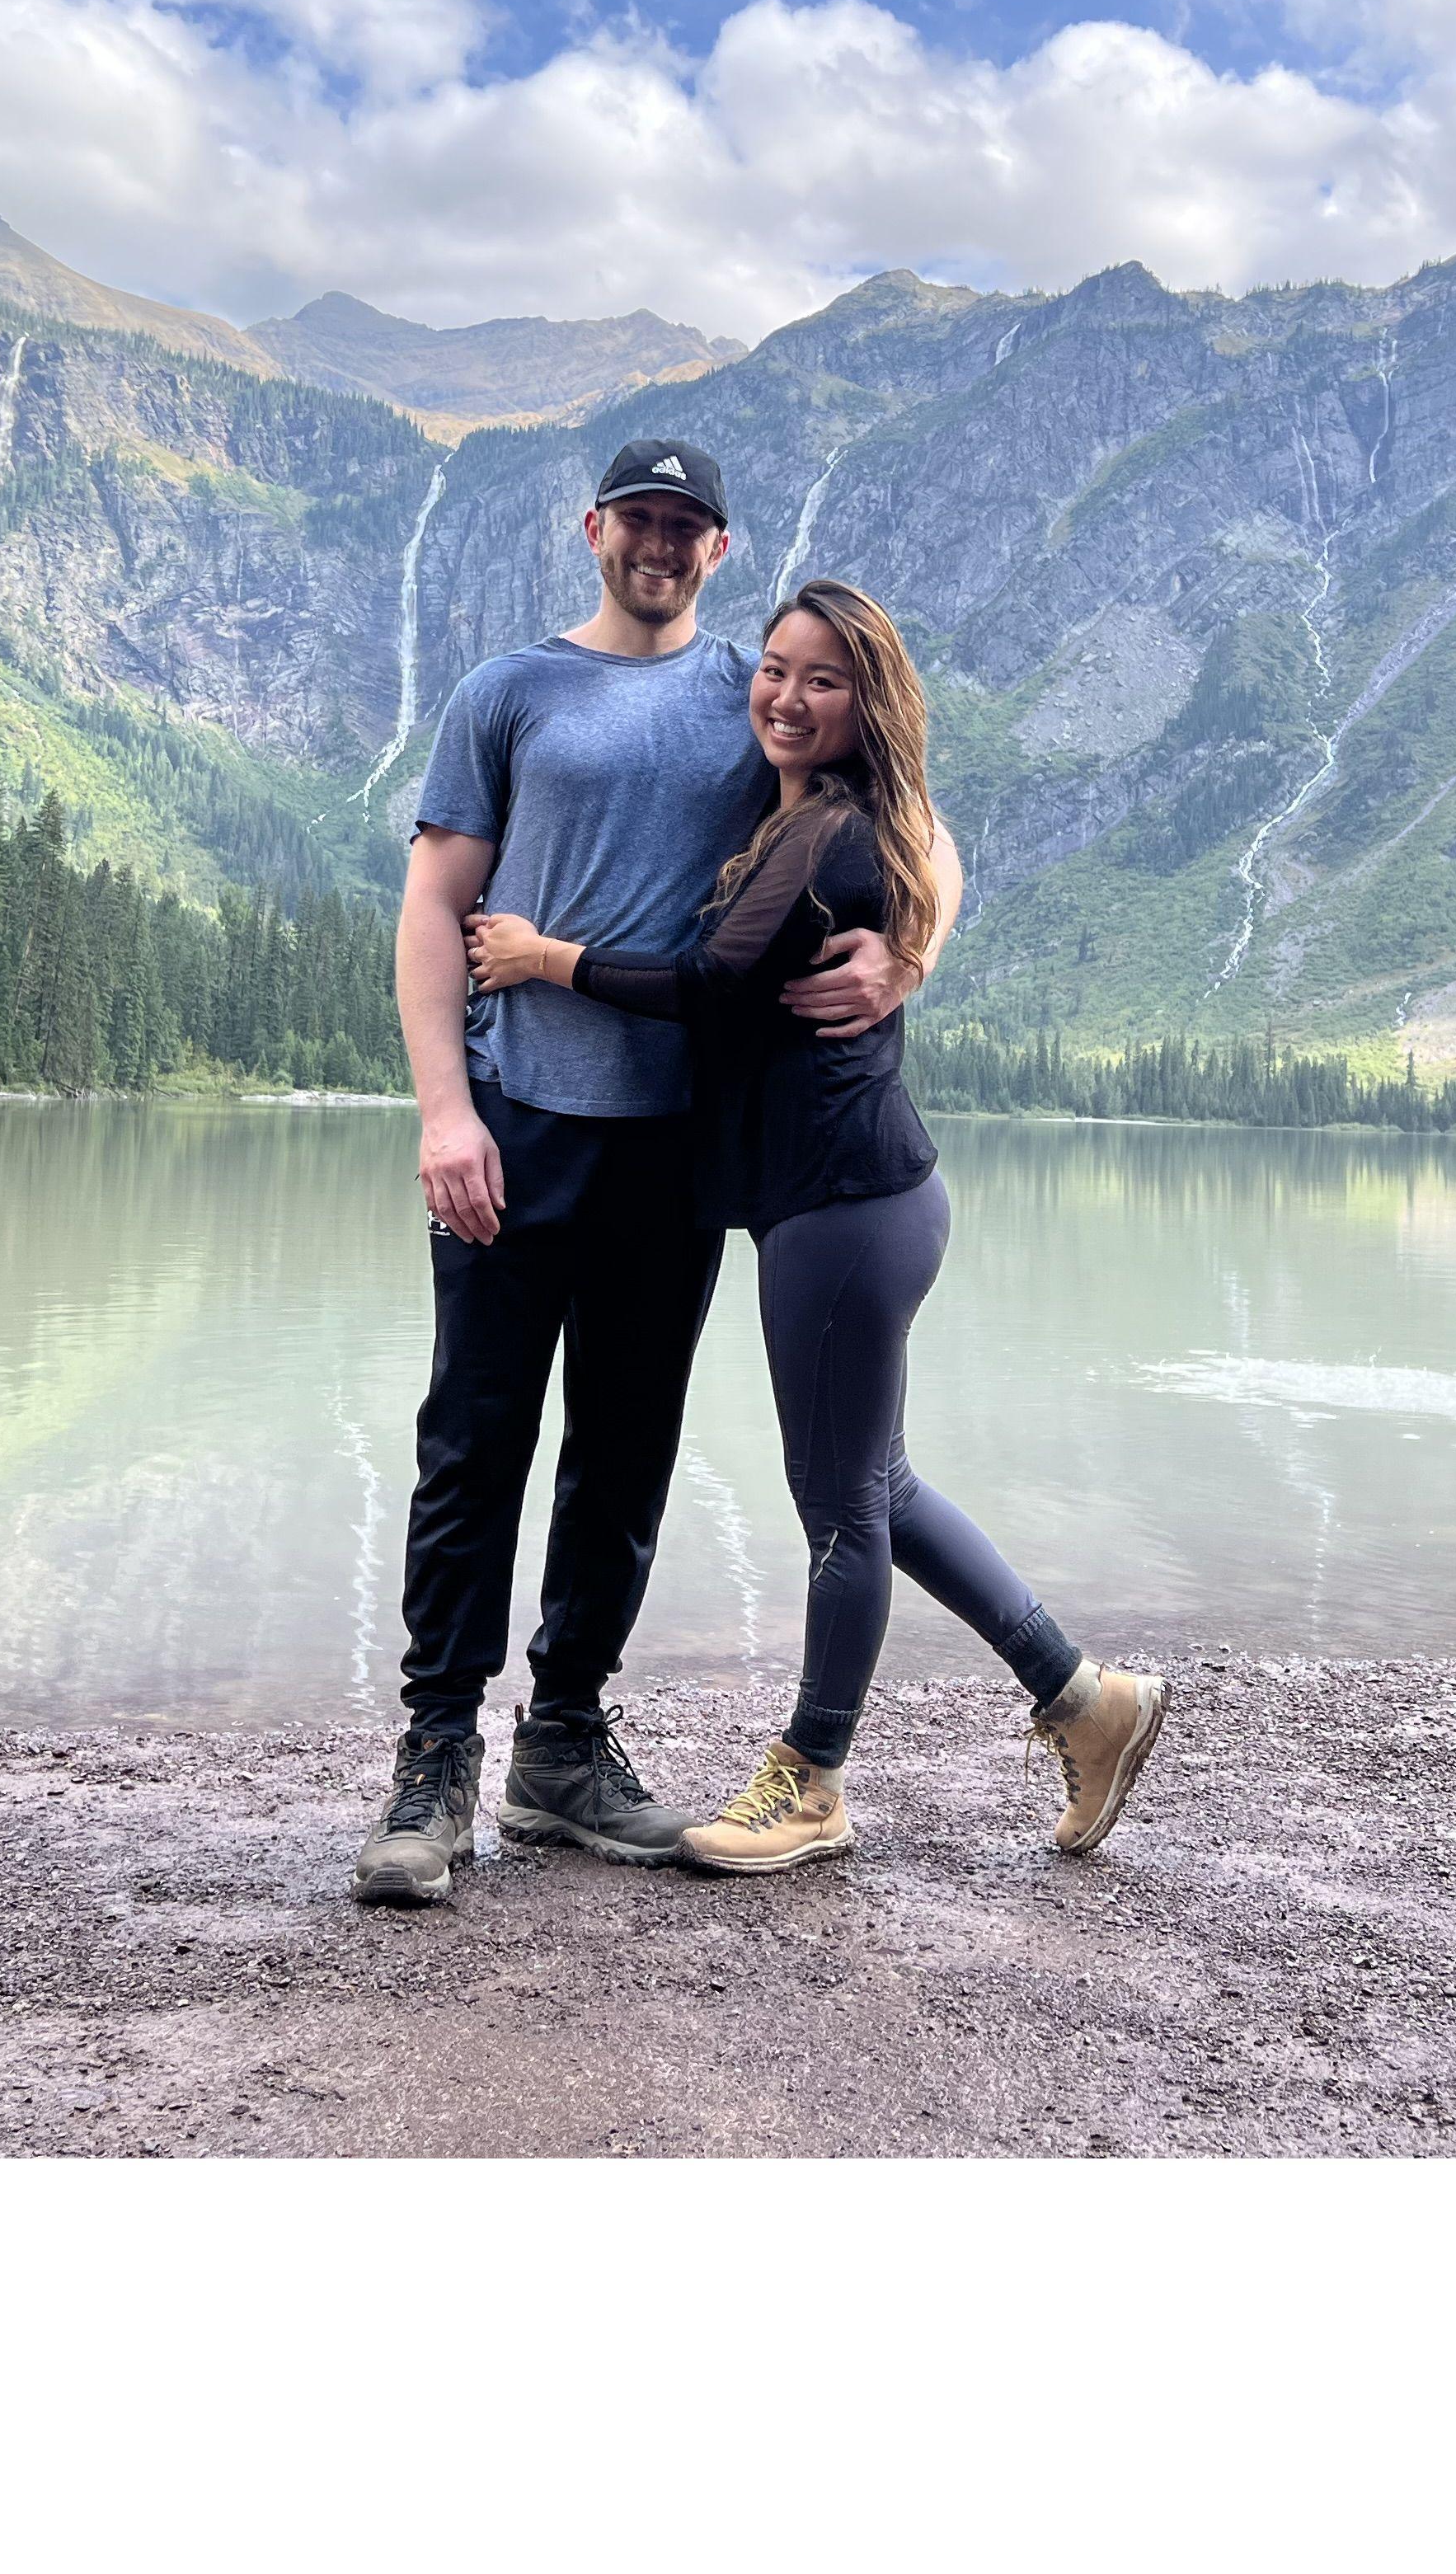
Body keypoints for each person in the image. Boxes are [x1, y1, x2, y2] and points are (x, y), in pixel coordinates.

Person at [464, 575, 1167, 1874]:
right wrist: (916, 939)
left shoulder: (837, 835)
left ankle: (815, 1778)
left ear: (869, 703)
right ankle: (1085, 1700)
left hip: (844, 1204)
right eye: (775, 670)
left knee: (841, 1509)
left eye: (823, 680)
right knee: (882, 1488)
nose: (786, 697)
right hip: (842, 1197)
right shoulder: (794, 808)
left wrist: (541, 958)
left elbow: (717, 990)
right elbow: (904, 867)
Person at [350, 443, 950, 1908]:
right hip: (519, 1113)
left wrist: (909, 955)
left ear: (720, 547)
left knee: (623, 1454)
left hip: (675, 1147)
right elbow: (434, 905)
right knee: (473, 1440)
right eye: (640, 521)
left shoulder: (762, 693)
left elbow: (916, 817)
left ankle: (561, 1747)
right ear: (596, 528)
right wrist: (444, 1111)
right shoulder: (510, 691)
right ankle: (436, 1759)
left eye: (687, 528)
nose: (660, 546)